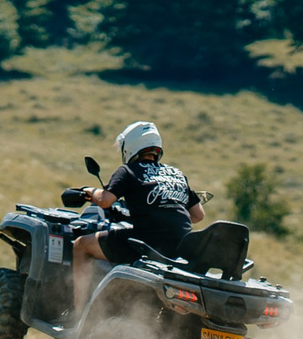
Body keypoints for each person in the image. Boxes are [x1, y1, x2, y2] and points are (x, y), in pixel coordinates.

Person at [69, 122, 206, 311]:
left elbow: (106, 200)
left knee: (81, 245)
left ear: (130, 147)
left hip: (145, 243)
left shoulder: (129, 170)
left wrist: (89, 191)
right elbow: (198, 214)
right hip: (180, 249)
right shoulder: (177, 174)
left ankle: (78, 312)